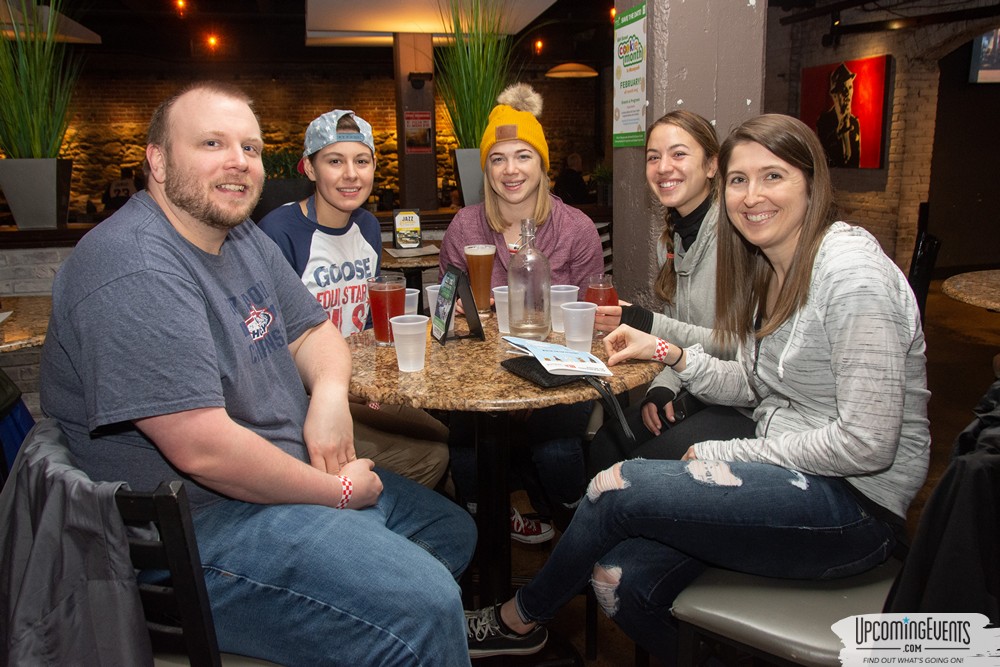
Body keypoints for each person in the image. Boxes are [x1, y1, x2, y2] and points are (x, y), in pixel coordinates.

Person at [39, 81, 476, 666]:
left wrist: (328, 396)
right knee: (427, 603)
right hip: (196, 533)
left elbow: (314, 330)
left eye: (249, 147)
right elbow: (204, 452)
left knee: (453, 534)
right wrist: (337, 493)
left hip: (277, 479)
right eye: (212, 143)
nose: (238, 161)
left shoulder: (240, 236)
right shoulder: (133, 266)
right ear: (158, 160)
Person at [464, 113, 930, 661]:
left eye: (773, 176)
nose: (752, 196)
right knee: (617, 581)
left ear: (812, 182)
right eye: (740, 180)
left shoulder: (851, 276)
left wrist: (730, 451)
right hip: (789, 467)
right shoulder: (770, 266)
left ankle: (519, 620)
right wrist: (668, 354)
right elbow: (754, 379)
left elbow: (868, 444)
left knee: (615, 484)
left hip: (855, 504)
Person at [438, 83, 605, 542]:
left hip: (561, 372)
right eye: (498, 158)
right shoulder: (465, 226)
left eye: (523, 156)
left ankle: (578, 530)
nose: (511, 170)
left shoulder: (576, 229)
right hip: (481, 374)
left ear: (542, 164)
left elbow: (591, 321)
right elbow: (447, 315)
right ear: (486, 168)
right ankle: (485, 529)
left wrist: (542, 381)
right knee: (467, 451)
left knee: (555, 451)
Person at [258, 109, 449, 489]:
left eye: (361, 161)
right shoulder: (278, 232)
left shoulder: (366, 225)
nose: (351, 174)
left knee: (444, 431)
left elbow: (366, 321)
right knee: (433, 455)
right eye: (334, 161)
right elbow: (269, 343)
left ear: (374, 166)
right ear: (310, 169)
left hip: (362, 387)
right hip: (308, 398)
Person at [586, 110, 753, 475]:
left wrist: (644, 321)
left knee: (636, 469)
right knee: (605, 445)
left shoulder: (737, 238)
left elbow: (736, 346)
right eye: (653, 157)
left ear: (712, 165)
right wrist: (661, 389)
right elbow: (685, 336)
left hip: (747, 405)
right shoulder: (676, 237)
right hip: (698, 387)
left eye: (678, 154)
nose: (663, 167)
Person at [816, 63, 861, 168]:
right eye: (843, 89)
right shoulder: (824, 121)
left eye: (850, 88)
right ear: (835, 95)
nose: (847, 94)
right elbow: (821, 157)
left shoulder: (854, 123)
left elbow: (856, 162)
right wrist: (837, 135)